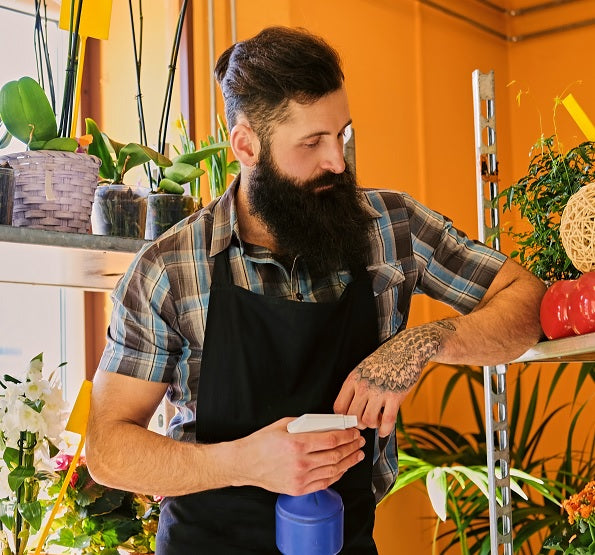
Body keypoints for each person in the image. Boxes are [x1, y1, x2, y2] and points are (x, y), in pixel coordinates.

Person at [86, 26, 545, 554]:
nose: (337, 161)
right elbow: (109, 449)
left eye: (342, 135)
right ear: (246, 144)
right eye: (312, 143)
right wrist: (245, 461)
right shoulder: (169, 268)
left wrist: (420, 343)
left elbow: (527, 299)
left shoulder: (391, 231)